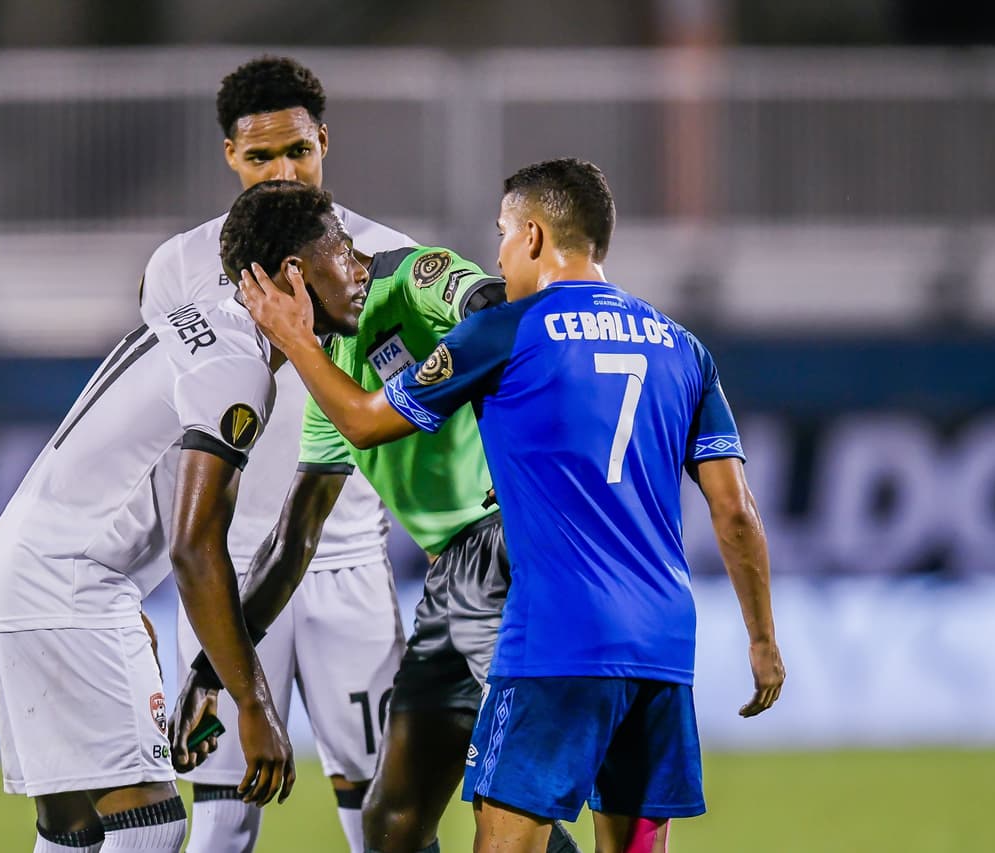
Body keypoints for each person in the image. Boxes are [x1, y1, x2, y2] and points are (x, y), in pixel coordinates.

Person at [237, 157, 786, 853]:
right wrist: (762, 639)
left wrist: (292, 334)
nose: (495, 253)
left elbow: (367, 421)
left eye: (501, 233)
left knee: (502, 840)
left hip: (556, 634)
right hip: (664, 643)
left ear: (531, 235)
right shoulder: (684, 349)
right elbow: (736, 512)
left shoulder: (508, 332)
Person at [0, 181, 364, 853]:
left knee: (75, 834)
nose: (361, 269)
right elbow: (194, 546)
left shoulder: (206, 319)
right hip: (69, 586)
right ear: (294, 273)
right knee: (152, 828)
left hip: (24, 571)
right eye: (345, 251)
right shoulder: (240, 367)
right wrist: (254, 702)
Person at [170, 226, 583, 850]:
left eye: (270, 315)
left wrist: (523, 442)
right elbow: (292, 542)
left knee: (505, 807)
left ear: (292, 282)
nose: (272, 331)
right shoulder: (335, 379)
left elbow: (494, 305)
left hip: (501, 555)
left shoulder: (413, 279)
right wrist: (209, 670)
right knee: (392, 820)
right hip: (459, 577)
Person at [138, 55, 412, 853]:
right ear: (231, 156)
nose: (282, 169)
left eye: (298, 150)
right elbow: (159, 432)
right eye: (260, 156)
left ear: (324, 142)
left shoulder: (384, 258)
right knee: (222, 819)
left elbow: (407, 415)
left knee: (382, 818)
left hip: (347, 562)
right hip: (222, 576)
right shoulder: (178, 268)